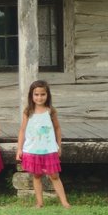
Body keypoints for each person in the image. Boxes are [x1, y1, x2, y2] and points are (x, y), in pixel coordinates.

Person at [15, 80, 71, 208]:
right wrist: (19, 149)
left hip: (49, 149)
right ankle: (39, 202)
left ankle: (64, 202)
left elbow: (57, 128)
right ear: (31, 95)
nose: (39, 97)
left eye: (42, 94)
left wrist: (59, 145)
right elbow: (22, 130)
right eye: (36, 94)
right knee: (37, 175)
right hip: (33, 149)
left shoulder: (50, 111)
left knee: (54, 175)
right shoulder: (28, 111)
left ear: (47, 95)